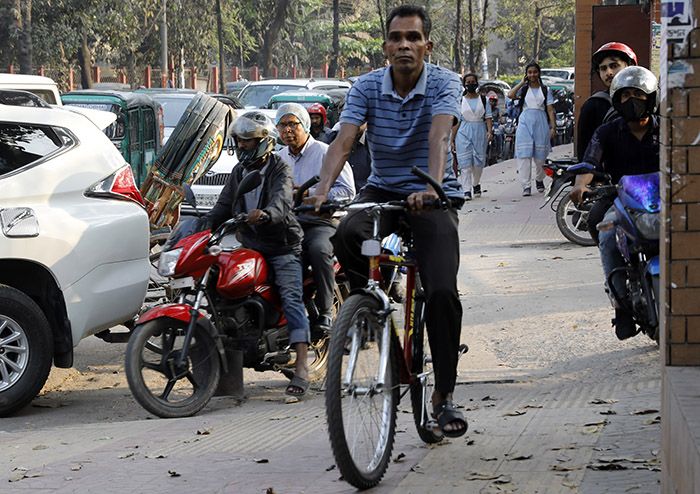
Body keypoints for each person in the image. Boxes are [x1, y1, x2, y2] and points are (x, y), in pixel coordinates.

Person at [307, 4, 468, 438]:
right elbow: (343, 141)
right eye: (396, 38)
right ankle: (374, 304)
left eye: (413, 38)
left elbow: (439, 135)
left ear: (426, 46)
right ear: (385, 47)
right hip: (383, 191)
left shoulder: (444, 82)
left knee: (440, 293)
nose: (404, 45)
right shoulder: (365, 87)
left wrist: (431, 188)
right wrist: (323, 190)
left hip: (431, 194)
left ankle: (444, 396)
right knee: (346, 234)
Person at [205, 111, 311, 397]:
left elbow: (282, 200)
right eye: (238, 141)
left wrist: (266, 214)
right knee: (221, 289)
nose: (241, 147)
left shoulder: (280, 168)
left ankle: (302, 365)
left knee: (291, 297)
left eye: (247, 142)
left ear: (263, 142)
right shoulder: (239, 172)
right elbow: (224, 205)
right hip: (251, 243)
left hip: (282, 245)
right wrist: (201, 226)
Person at [569, 66, 659, 340]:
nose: (632, 100)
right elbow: (590, 161)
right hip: (619, 197)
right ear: (617, 100)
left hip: (663, 199)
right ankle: (621, 304)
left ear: (651, 97)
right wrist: (581, 184)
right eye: (625, 95)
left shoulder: (668, 127)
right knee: (606, 234)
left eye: (639, 94)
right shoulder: (607, 132)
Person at [275, 103, 355, 334]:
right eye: (282, 125)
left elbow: (348, 191)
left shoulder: (325, 152)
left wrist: (312, 194)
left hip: (322, 222)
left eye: (293, 124)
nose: (287, 130)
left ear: (306, 125)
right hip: (291, 223)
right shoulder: (279, 159)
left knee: (319, 250)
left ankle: (326, 311)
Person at [577, 42, 637, 158]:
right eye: (603, 68)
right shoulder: (593, 105)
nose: (608, 72)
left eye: (614, 66)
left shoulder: (647, 99)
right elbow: (584, 152)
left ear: (630, 66)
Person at [507, 62, 556, 196]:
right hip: (524, 123)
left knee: (540, 157)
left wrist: (553, 127)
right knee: (524, 155)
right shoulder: (523, 90)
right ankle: (526, 185)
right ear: (526, 74)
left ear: (539, 73)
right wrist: (522, 83)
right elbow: (510, 95)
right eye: (529, 72)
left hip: (541, 123)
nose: (532, 75)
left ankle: (539, 179)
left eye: (535, 72)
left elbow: (550, 110)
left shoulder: (546, 90)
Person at [454, 73, 493, 200]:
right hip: (463, 132)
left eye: (472, 82)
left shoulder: (484, 100)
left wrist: (489, 131)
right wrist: (451, 139)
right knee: (465, 164)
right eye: (468, 82)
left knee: (478, 163)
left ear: (477, 83)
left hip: (479, 131)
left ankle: (475, 183)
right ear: (464, 84)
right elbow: (457, 120)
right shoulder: (460, 100)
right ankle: (466, 190)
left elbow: (488, 117)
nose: (470, 84)